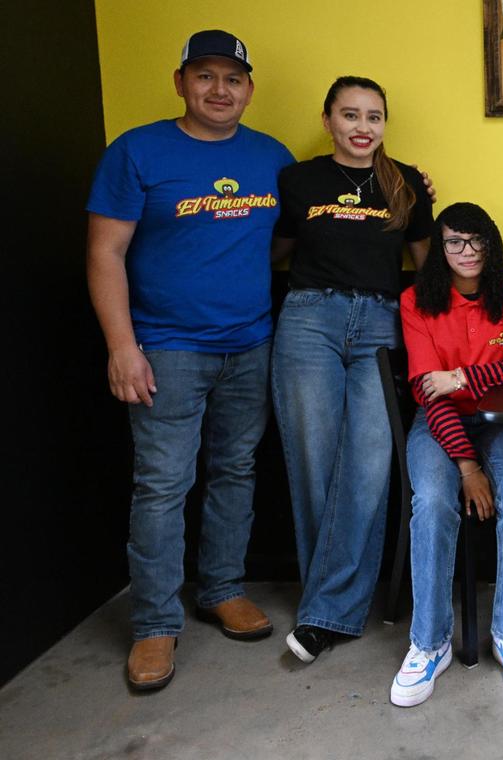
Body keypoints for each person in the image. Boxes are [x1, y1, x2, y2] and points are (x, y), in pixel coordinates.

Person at [86, 30, 294, 691]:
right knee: (162, 486)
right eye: (204, 76)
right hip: (166, 349)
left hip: (252, 342)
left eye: (232, 79)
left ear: (249, 89)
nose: (219, 90)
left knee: (234, 472)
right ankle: (153, 624)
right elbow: (104, 253)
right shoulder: (137, 151)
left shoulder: (271, 157)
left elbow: (286, 239)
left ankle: (222, 590)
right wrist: (123, 346)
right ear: (180, 82)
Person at [271, 76, 433, 664]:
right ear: (328, 119)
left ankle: (325, 609)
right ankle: (333, 609)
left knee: (369, 459)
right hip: (309, 317)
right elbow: (275, 252)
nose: (363, 128)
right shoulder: (298, 179)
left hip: (382, 325)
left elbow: (427, 269)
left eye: (374, 117)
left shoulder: (406, 183)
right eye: (350, 115)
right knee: (313, 461)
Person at [390, 202, 503, 707]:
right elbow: (428, 393)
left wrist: (465, 377)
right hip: (437, 423)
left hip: (500, 421)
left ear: (492, 245)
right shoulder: (417, 299)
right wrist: (467, 468)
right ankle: (430, 642)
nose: (467, 252)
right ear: (440, 249)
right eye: (454, 242)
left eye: (477, 241)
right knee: (434, 504)